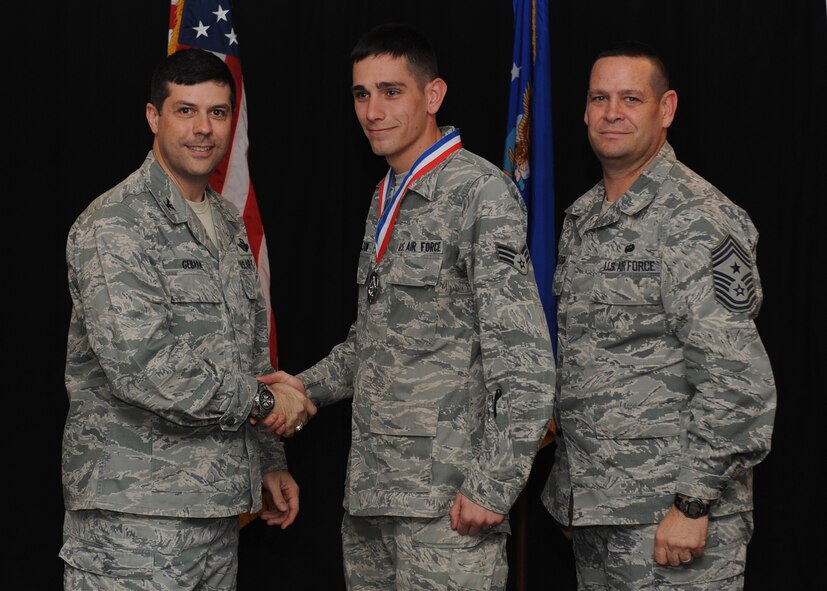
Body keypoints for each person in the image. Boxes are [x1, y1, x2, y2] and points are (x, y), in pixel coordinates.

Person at [267, 22, 556, 591]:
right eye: (361, 93)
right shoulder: (384, 197)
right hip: (374, 499)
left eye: (391, 91)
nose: (373, 110)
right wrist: (301, 387)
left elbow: (526, 364)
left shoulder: (480, 192)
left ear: (433, 95)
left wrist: (491, 486)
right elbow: (373, 342)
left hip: (446, 508)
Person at [60, 47, 315, 590]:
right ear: (154, 117)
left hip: (216, 513)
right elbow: (142, 365)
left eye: (218, 112)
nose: (204, 129)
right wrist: (268, 404)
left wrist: (268, 456)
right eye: (186, 110)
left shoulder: (225, 220)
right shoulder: (116, 223)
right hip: (134, 523)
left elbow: (249, 354)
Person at [541, 40, 776, 590]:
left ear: (665, 109)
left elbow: (737, 381)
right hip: (600, 514)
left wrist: (693, 504)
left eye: (630, 98)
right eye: (599, 98)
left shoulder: (698, 217)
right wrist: (577, 496)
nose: (612, 113)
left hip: (674, 519)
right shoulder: (582, 218)